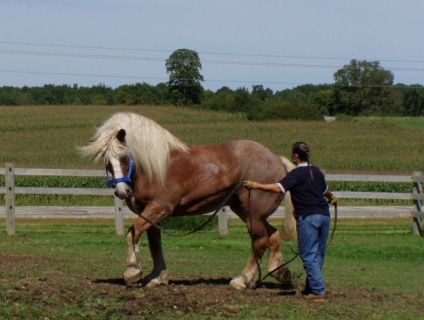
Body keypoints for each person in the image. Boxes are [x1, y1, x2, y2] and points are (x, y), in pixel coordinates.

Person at [243, 141, 336, 302]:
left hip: (308, 217)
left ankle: (318, 291)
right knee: (318, 254)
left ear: (295, 156)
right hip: (324, 216)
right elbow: (326, 192)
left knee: (308, 254)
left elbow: (278, 188)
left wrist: (256, 185)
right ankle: (311, 287)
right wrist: (332, 198)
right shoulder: (317, 172)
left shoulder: (295, 174)